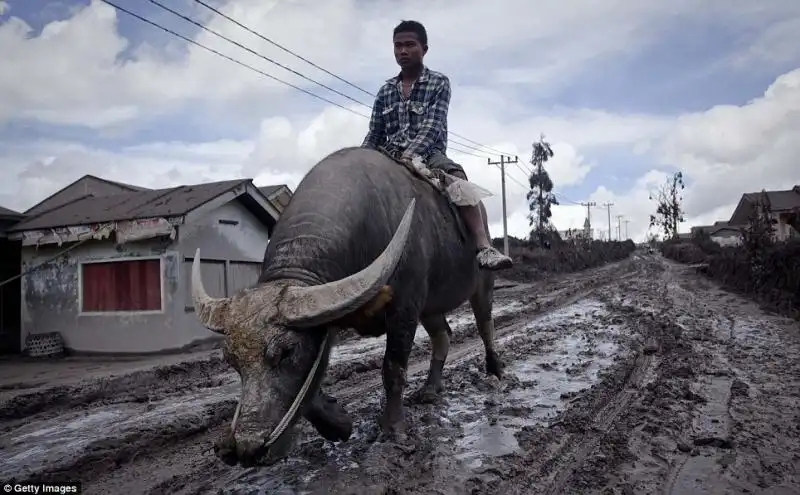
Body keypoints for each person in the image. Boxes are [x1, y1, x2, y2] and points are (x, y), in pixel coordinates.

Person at [362, 20, 513, 271]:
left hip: (429, 155)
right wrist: (362, 161)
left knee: (459, 183)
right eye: (397, 46)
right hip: (387, 157)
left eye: (410, 45)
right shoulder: (385, 90)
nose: (403, 51)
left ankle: (483, 245)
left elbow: (432, 127)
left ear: (424, 48)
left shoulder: (438, 83)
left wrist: (408, 157)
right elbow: (374, 135)